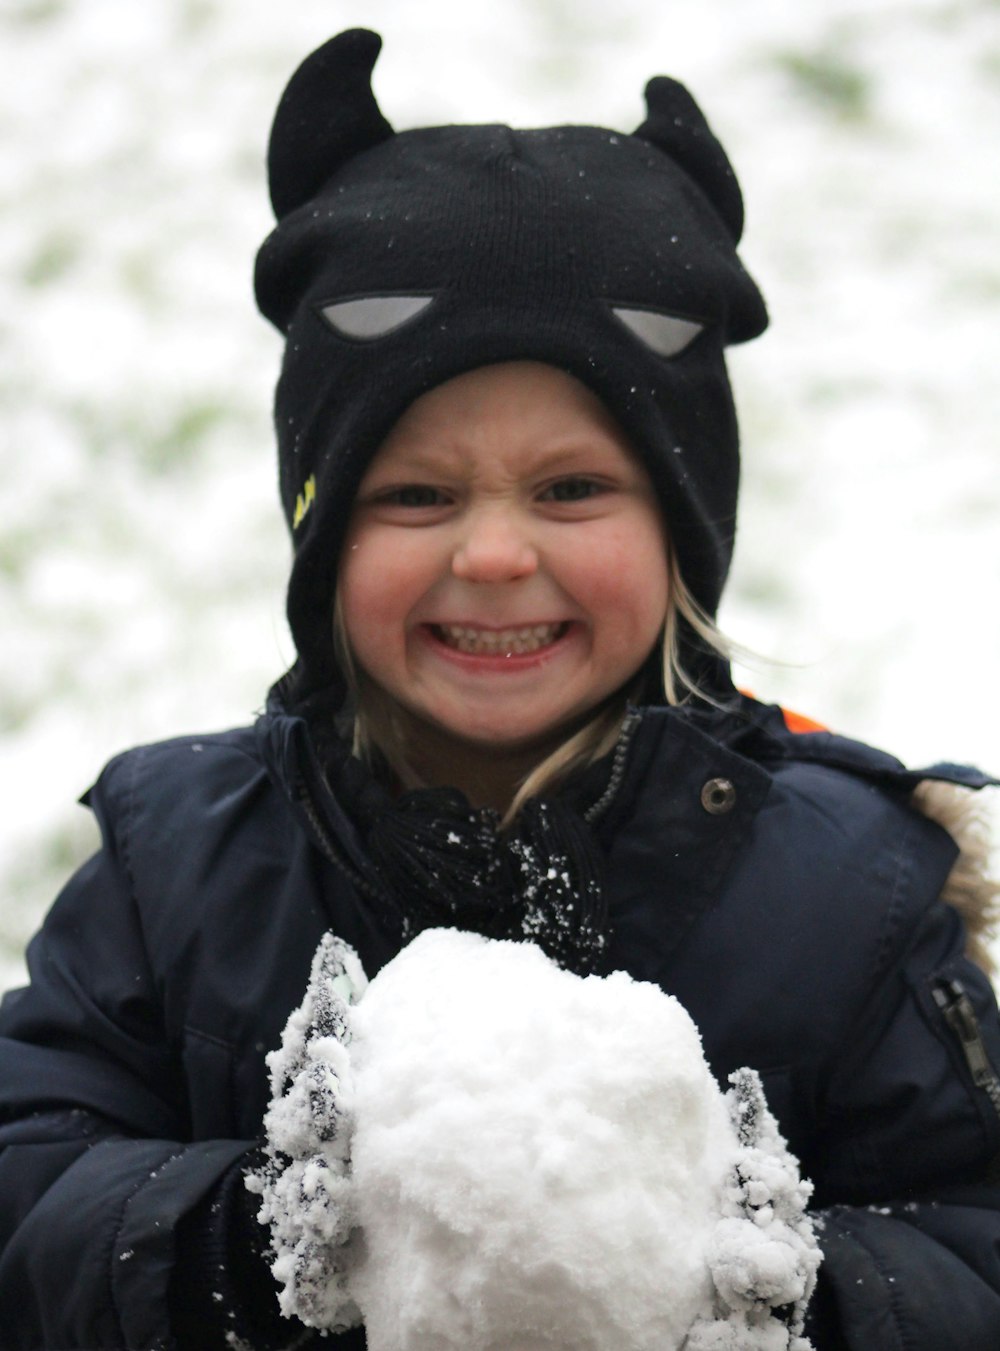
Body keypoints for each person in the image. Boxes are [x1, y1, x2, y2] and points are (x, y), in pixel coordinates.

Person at [1, 26, 999, 1350]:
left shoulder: (853, 892)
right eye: (415, 496)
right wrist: (263, 1242)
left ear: (682, 528)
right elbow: (31, 1185)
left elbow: (971, 1243)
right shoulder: (180, 868)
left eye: (571, 489)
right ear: (323, 541)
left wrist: (757, 1271)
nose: (492, 553)